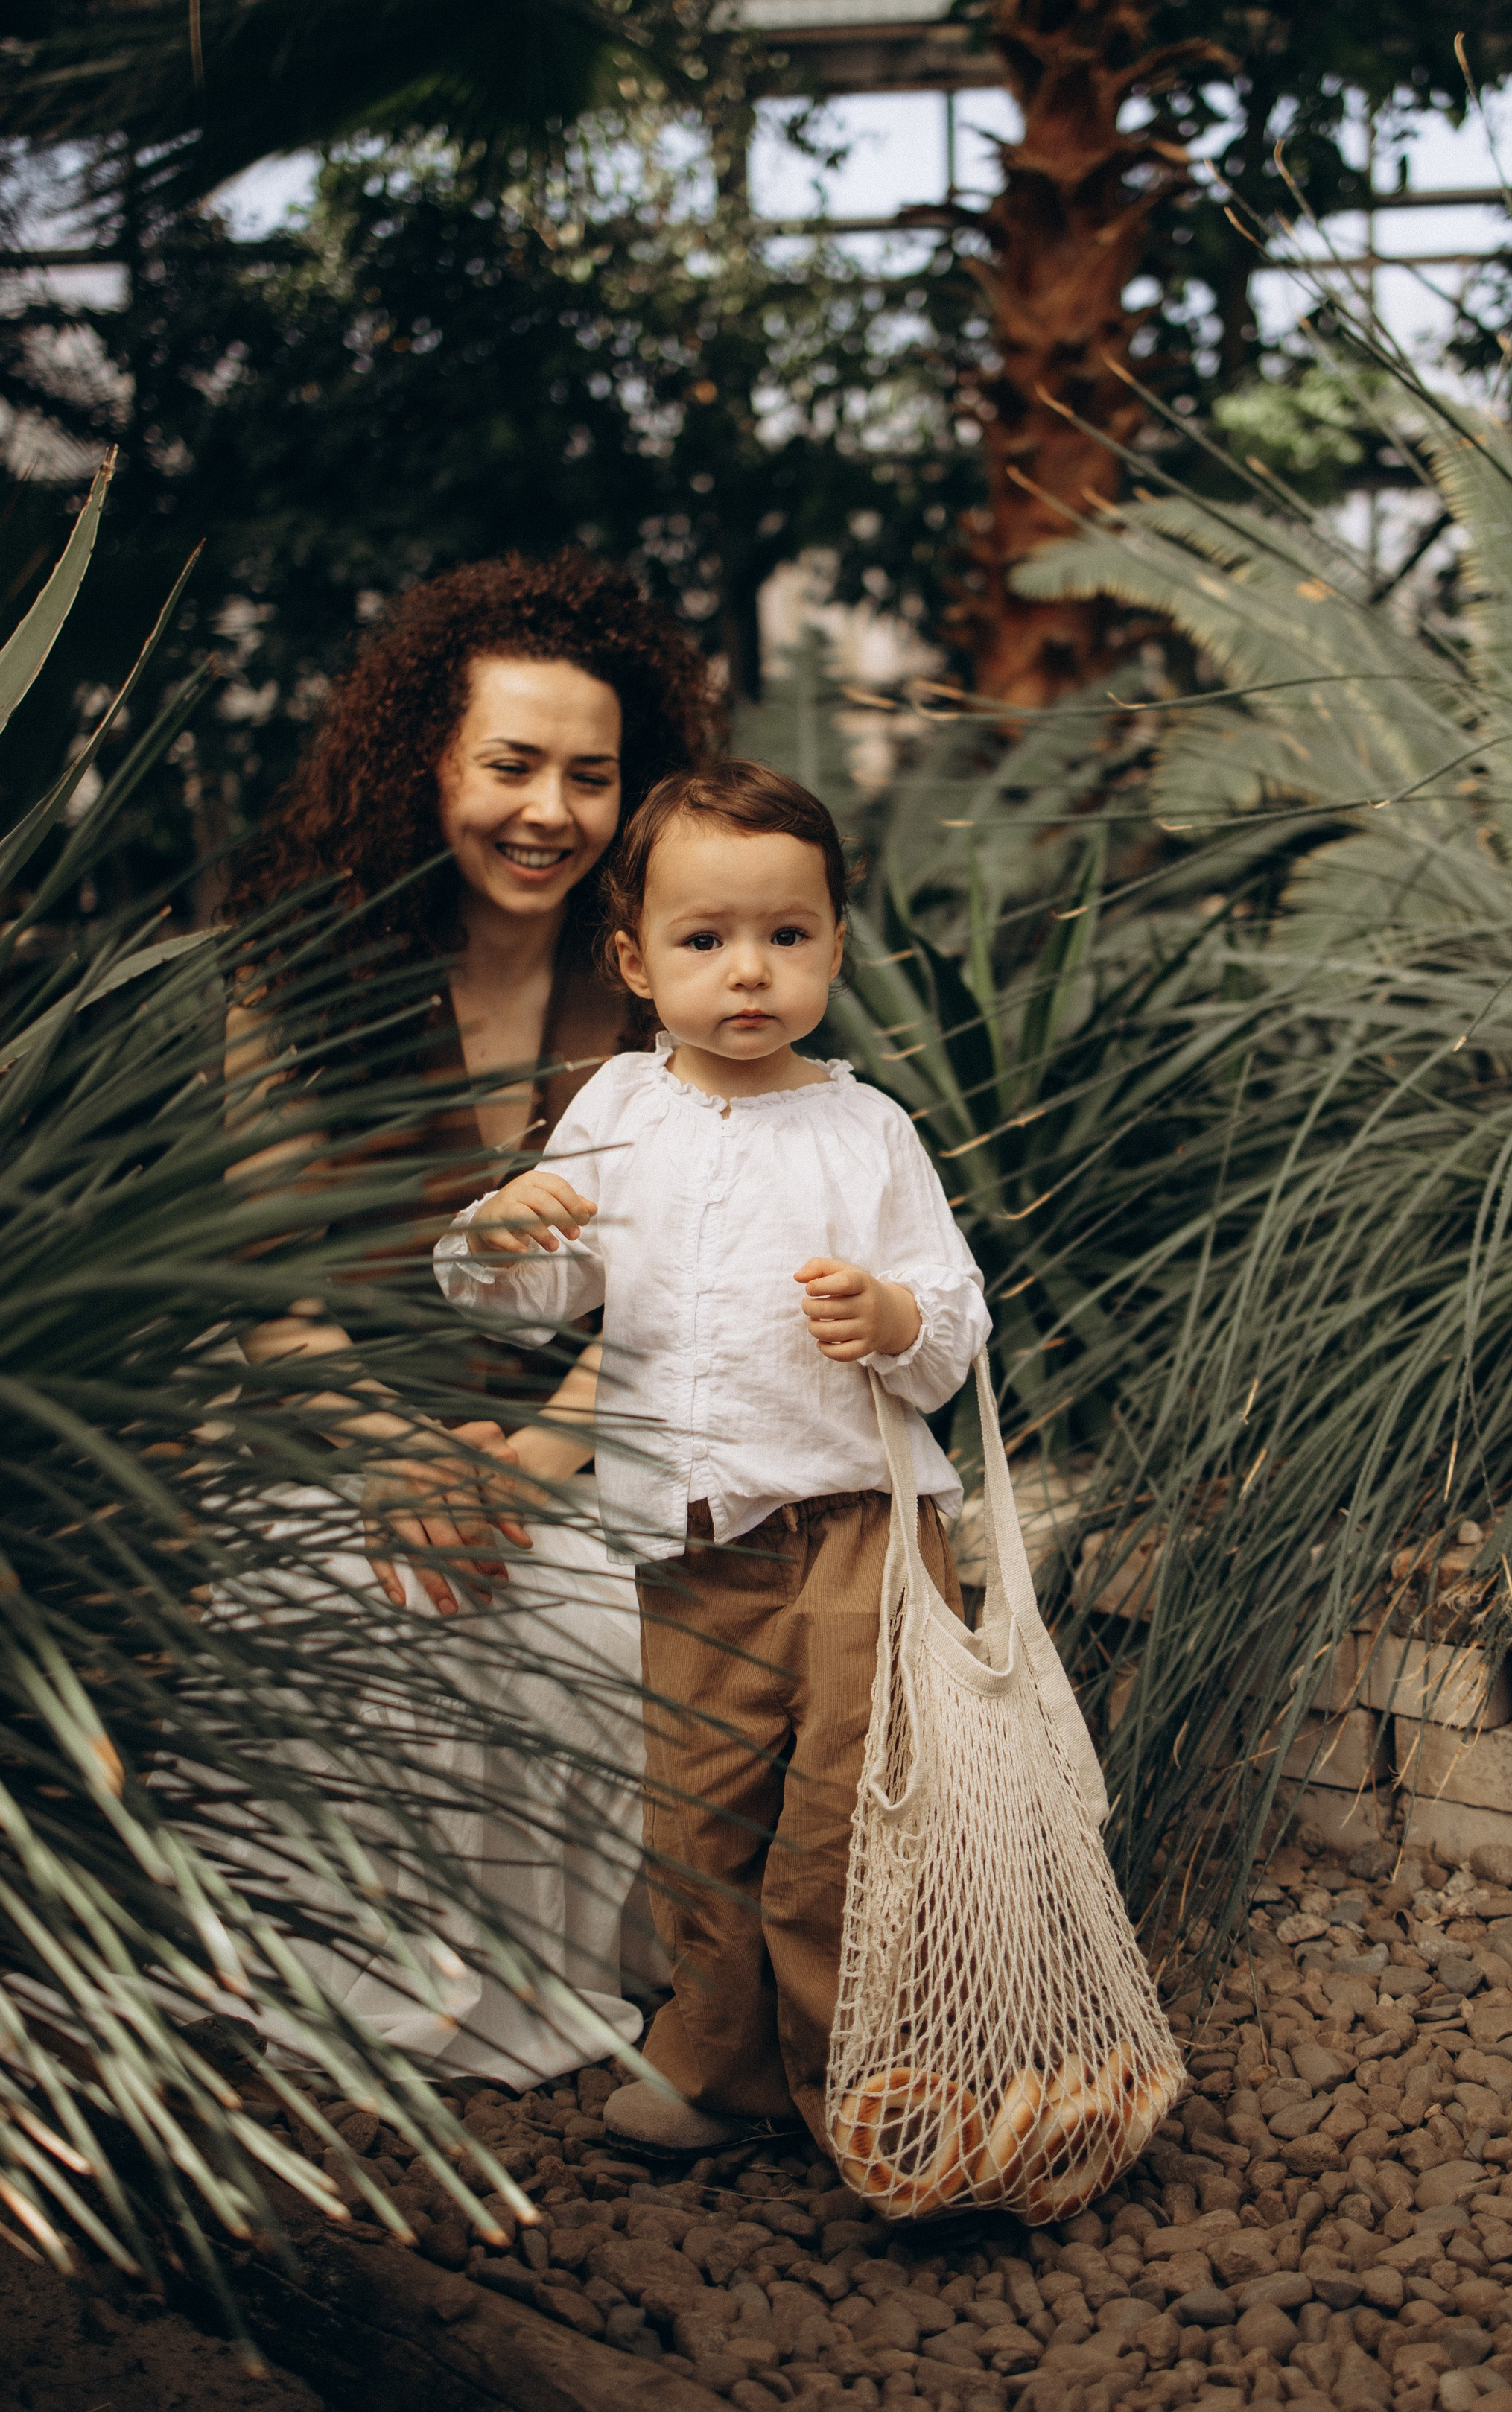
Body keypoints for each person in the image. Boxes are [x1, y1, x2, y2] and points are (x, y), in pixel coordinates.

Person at [434, 761, 990, 2151]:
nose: (749, 971)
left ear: (836, 948)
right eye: (705, 939)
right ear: (635, 962)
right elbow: (531, 1298)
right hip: (688, 1548)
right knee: (697, 1819)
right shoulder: (620, 1112)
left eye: (786, 935)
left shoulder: (867, 1129)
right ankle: (724, 2071)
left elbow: (954, 1320)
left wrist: (895, 1316)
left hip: (860, 1532)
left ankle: (871, 2077)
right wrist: (498, 1239)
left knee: (846, 1822)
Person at [220, 550, 713, 2086]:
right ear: (425, 764)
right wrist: (397, 1453)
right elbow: (269, 1289)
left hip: (590, 1439)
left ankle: (628, 1985)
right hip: (339, 1441)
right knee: (362, 1609)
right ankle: (367, 1992)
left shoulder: (668, 994)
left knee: (606, 1619)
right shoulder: (296, 975)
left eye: (590, 776)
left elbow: (695, 1278)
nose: (548, 811)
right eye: (509, 765)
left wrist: (532, 1462)